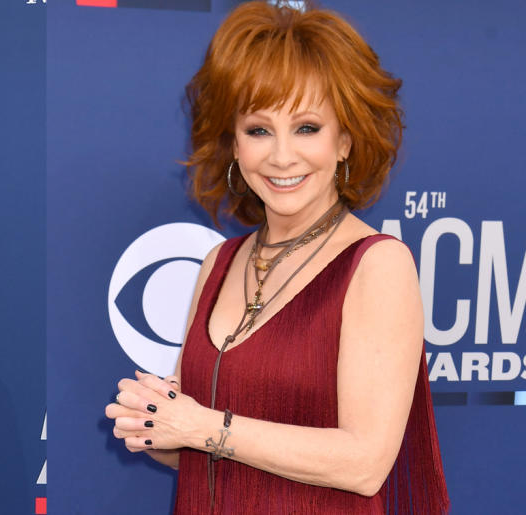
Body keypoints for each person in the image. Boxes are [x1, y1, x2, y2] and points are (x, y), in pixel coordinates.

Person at [104, 2, 448, 513]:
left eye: (307, 127)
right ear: (234, 146)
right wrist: (160, 425)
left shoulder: (377, 265)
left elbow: (364, 462)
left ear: (346, 141)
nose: (282, 156)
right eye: (259, 130)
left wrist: (202, 425)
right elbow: (210, 451)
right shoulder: (219, 263)